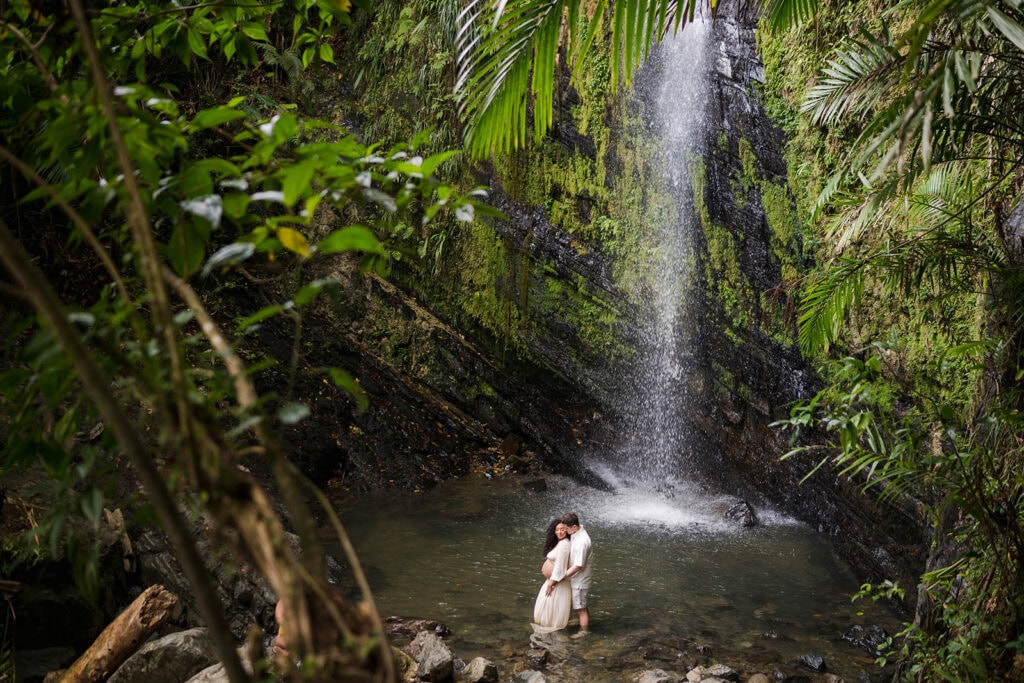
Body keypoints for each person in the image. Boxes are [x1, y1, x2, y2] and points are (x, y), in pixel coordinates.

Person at [532, 519, 572, 633]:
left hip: (556, 583)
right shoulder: (560, 543)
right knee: (548, 608)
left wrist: (551, 584)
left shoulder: (564, 545)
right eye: (557, 529)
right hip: (553, 581)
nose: (560, 532)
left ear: (567, 530)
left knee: (551, 609)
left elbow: (560, 567)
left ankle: (550, 633)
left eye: (563, 529)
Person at [561, 512, 593, 634]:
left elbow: (578, 566)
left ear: (574, 527)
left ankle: (583, 631)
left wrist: (562, 576)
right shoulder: (579, 530)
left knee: (581, 609)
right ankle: (583, 624)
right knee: (581, 606)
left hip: (580, 580)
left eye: (566, 528)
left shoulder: (582, 542)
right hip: (579, 579)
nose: (565, 531)